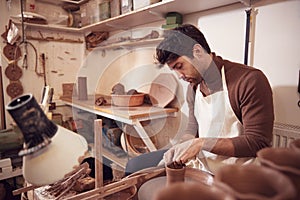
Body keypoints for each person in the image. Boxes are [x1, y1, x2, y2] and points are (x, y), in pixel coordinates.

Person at [154, 24, 274, 173]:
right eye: (174, 70)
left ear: (197, 51)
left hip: (242, 177)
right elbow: (193, 127)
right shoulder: (193, 87)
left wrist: (201, 143)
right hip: (205, 170)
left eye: (180, 66)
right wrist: (180, 147)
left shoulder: (249, 80)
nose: (180, 76)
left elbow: (258, 143)